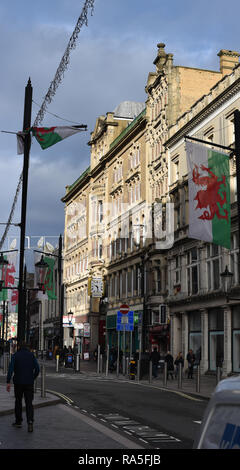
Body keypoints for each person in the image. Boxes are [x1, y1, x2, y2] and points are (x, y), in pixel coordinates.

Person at [6, 341, 40, 432]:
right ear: (27, 347)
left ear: (19, 347)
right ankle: (30, 422)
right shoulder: (31, 355)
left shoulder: (16, 355)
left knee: (18, 401)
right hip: (29, 382)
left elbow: (10, 369)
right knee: (29, 403)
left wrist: (8, 381)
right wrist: (33, 377)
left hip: (18, 382)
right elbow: (37, 369)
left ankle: (18, 421)